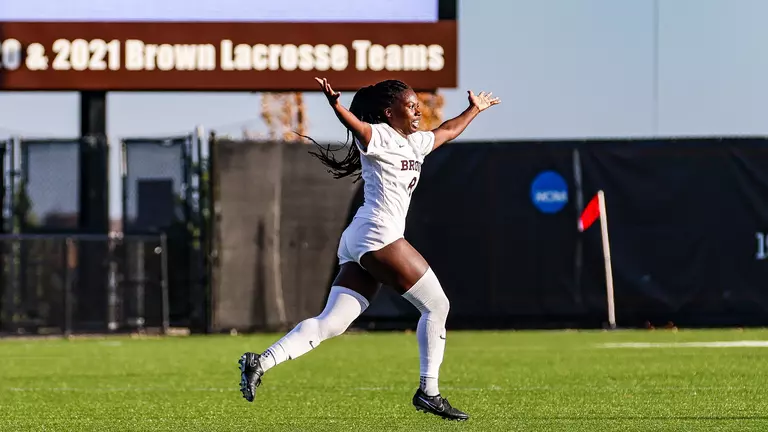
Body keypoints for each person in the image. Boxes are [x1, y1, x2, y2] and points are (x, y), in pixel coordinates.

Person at [239, 77, 500, 421]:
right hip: (379, 235)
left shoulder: (415, 142)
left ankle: (263, 361)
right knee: (437, 306)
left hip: (361, 238)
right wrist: (336, 106)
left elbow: (448, 131)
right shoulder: (381, 136)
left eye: (417, 104)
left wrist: (474, 109)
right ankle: (429, 391)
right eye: (410, 106)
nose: (417, 109)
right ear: (389, 113)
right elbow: (360, 128)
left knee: (331, 323)